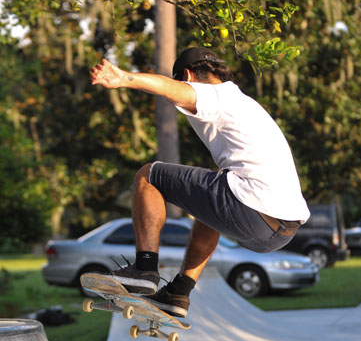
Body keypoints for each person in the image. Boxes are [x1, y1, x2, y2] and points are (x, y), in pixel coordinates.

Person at [90, 47, 310, 318]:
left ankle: (144, 268)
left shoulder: (215, 94)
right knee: (210, 202)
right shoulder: (245, 104)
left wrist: (125, 78)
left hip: (252, 209)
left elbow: (170, 89)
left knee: (149, 175)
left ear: (187, 75)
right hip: (281, 231)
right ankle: (178, 293)